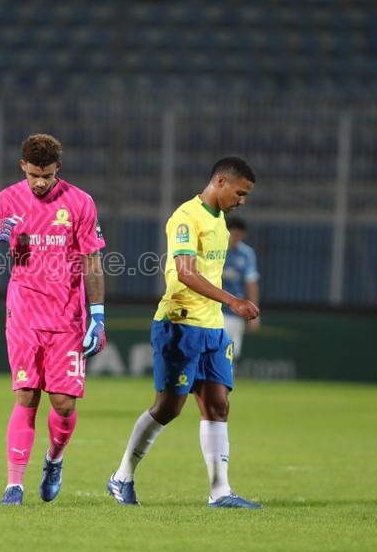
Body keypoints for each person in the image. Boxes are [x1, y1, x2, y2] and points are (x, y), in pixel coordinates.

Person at [107, 156, 261, 509]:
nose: (242, 201)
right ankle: (122, 476)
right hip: (179, 323)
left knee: (218, 405)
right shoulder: (185, 217)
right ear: (220, 182)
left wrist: (223, 309)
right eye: (240, 193)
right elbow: (186, 272)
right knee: (168, 408)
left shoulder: (220, 220)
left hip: (213, 327)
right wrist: (233, 301)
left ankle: (220, 492)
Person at [0, 133, 106, 505]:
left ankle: (54, 460)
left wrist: (98, 315)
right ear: (23, 167)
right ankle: (13, 485)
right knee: (26, 394)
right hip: (23, 314)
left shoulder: (80, 202)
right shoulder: (7, 200)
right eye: (33, 174)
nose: (40, 182)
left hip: (67, 317)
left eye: (46, 175)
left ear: (57, 168)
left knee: (63, 404)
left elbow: (92, 260)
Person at [221, 217, 260, 368]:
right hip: (214, 309)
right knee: (217, 350)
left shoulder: (246, 254)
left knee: (231, 352)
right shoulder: (216, 249)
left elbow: (251, 283)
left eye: (240, 235)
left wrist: (254, 314)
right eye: (234, 234)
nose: (236, 238)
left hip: (235, 311)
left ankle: (223, 381)